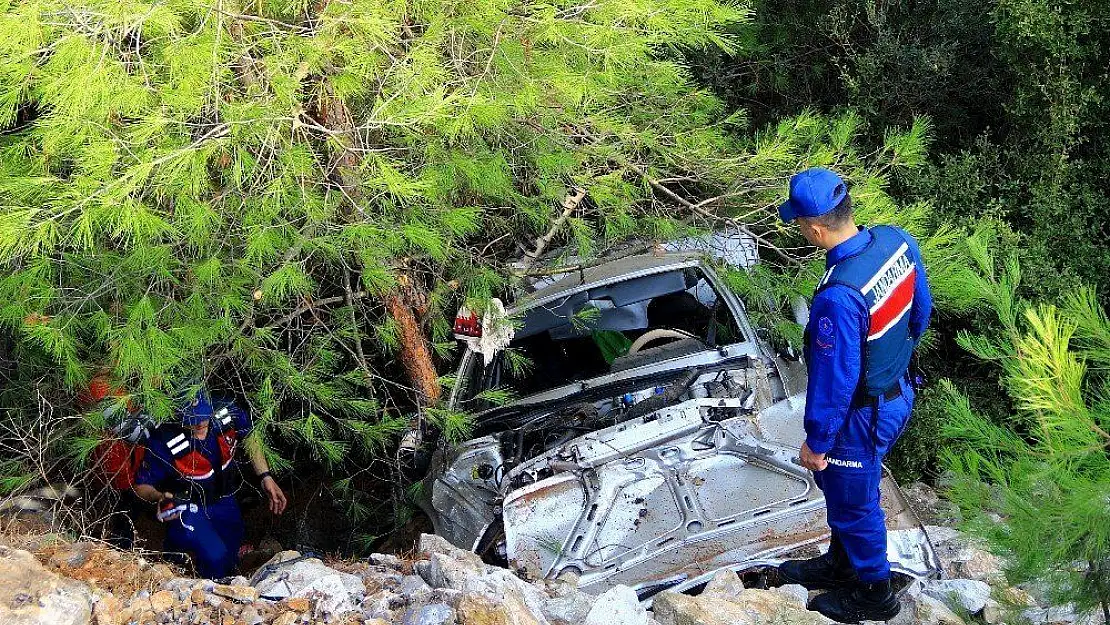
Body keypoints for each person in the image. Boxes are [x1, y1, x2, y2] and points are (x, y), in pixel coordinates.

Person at [774, 168, 932, 623]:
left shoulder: (839, 295)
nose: (802, 232)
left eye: (801, 225)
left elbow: (836, 378)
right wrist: (892, 361)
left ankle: (873, 593)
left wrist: (818, 442)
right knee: (848, 492)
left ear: (816, 228)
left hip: (860, 414)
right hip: (897, 394)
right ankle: (841, 562)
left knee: (854, 499)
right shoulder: (895, 241)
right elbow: (920, 310)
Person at [134, 389, 288, 578]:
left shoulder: (227, 412)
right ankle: (191, 578)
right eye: (191, 419)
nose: (199, 423)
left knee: (230, 553)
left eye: (203, 416)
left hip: (224, 500)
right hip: (189, 507)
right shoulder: (164, 438)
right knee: (215, 554)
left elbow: (250, 436)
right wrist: (159, 497)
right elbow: (142, 484)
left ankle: (226, 583)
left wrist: (265, 476)